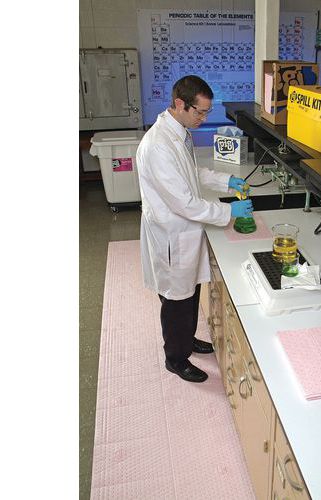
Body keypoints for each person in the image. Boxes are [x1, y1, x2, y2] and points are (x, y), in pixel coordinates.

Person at [136, 75, 253, 383]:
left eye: (206, 111)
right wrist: (229, 211)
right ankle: (175, 358)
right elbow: (185, 203)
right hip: (171, 235)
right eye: (200, 112)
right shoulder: (158, 145)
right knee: (176, 301)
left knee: (189, 294)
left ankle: (186, 340)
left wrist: (225, 181)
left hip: (184, 232)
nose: (204, 118)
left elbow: (191, 171)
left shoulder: (179, 132)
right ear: (179, 104)